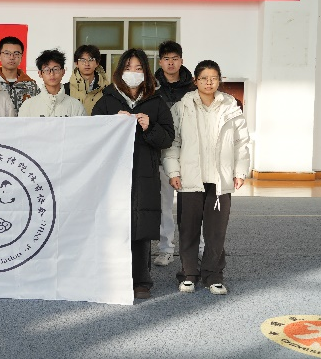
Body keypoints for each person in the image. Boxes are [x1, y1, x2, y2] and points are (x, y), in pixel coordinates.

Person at [92, 49, 174, 300]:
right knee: (114, 224)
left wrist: (149, 127)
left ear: (146, 73)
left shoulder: (156, 101)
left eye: (138, 69)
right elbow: (92, 135)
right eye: (128, 68)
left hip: (143, 173)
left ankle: (141, 280)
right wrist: (111, 123)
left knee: (141, 225)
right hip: (113, 175)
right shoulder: (106, 101)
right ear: (120, 72)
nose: (133, 73)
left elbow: (167, 138)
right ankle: (112, 278)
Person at [163, 60, 250, 295]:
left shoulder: (230, 106)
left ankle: (213, 275)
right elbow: (173, 143)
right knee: (188, 230)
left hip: (219, 179)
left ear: (219, 80)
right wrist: (173, 171)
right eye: (204, 78)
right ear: (196, 81)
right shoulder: (182, 106)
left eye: (213, 78)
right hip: (191, 177)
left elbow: (241, 142)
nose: (209, 82)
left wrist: (240, 171)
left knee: (215, 232)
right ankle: (188, 274)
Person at [152, 40, 202, 267]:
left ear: (181, 60)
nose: (171, 63)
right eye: (166, 59)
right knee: (164, 205)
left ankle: (199, 247)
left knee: (193, 206)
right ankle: (166, 249)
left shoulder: (193, 87)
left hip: (190, 155)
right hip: (162, 153)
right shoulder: (152, 87)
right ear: (160, 62)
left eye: (175, 59)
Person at [19, 49, 86, 117]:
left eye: (56, 69)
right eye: (47, 70)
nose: (52, 74)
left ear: (63, 72)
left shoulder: (76, 106)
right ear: (40, 73)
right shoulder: (28, 106)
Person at [0, 36, 39, 115]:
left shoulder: (31, 86)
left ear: (21, 57)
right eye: (7, 53)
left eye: (16, 54)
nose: (12, 57)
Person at [63, 44, 110, 115]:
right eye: (82, 60)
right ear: (76, 63)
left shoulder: (107, 89)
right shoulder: (65, 89)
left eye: (91, 60)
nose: (87, 64)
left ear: (97, 63)